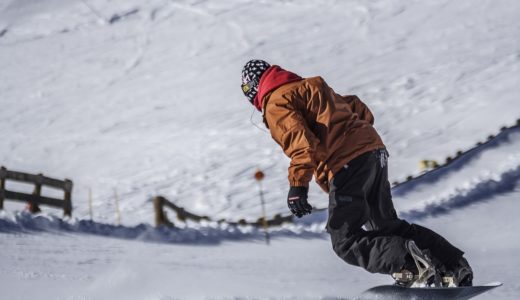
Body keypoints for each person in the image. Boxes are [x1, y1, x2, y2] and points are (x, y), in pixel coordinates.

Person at [240, 59, 473, 287]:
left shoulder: (276, 102)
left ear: (253, 88)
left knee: (344, 239)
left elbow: (301, 144)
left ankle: (411, 265)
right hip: (373, 152)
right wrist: (356, 136)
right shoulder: (310, 86)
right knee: (386, 226)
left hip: (347, 162)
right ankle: (453, 266)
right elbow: (357, 106)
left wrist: (298, 187)